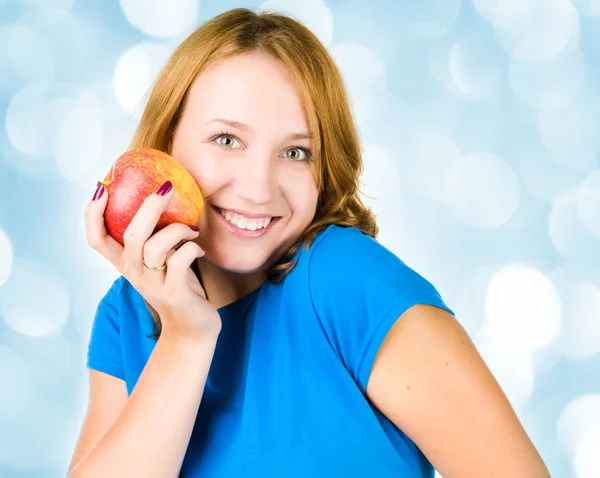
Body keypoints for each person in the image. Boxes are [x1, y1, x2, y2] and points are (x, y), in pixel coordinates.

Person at [67, 7, 550, 478]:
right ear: (167, 142)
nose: (259, 188)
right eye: (227, 140)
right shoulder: (125, 314)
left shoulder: (346, 279)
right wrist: (188, 338)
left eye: (295, 152)